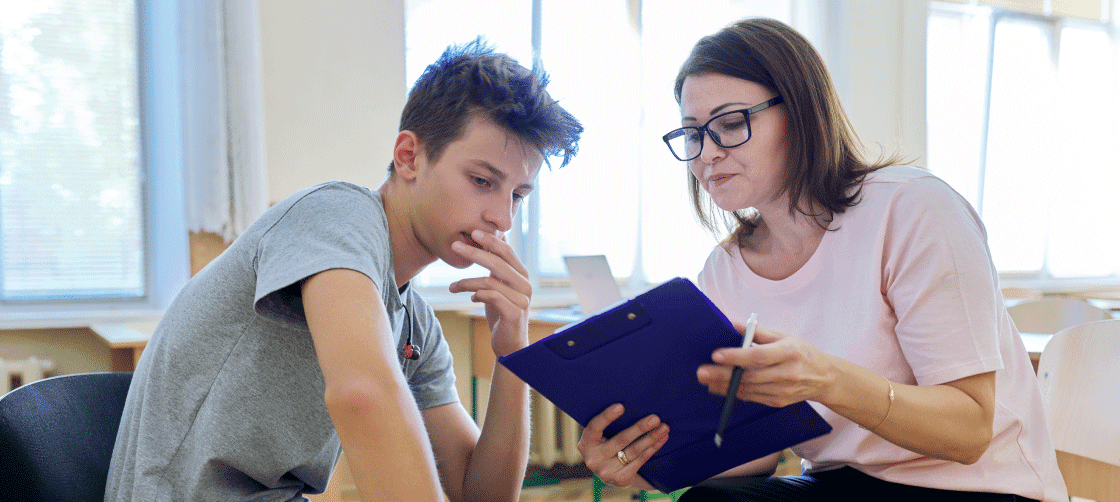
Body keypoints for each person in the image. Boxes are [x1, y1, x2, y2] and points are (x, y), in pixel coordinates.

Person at [576, 18, 1067, 502]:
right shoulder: (724, 270)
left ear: (803, 112)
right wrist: (647, 465)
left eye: (730, 124)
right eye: (692, 134)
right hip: (844, 484)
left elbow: (970, 430)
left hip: (980, 487)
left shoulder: (913, 209)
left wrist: (829, 379)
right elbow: (753, 456)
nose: (707, 153)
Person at [105, 40, 581, 502]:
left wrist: (513, 353)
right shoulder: (337, 214)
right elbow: (361, 394)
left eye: (517, 195)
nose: (503, 217)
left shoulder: (414, 323)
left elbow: (481, 495)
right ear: (409, 157)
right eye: (482, 181)